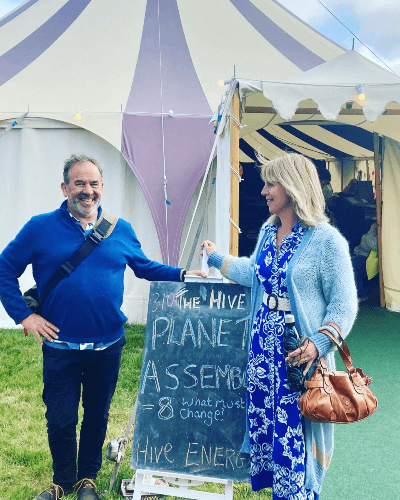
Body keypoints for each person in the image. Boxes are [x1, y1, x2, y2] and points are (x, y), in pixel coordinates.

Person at [0, 154, 205, 500]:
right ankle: (62, 482)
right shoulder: (40, 227)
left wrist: (183, 274)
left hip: (107, 345)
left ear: (102, 188)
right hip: (60, 346)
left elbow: (145, 267)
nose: (87, 190)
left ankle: (87, 481)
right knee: (61, 419)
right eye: (79, 183)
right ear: (65, 187)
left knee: (97, 415)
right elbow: (5, 268)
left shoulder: (119, 229)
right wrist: (24, 315)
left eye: (93, 183)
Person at [201, 154, 357, 499]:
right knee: (270, 426)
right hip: (262, 351)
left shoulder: (327, 240)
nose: (264, 190)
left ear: (293, 187)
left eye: (271, 183)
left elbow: (344, 305)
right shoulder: (269, 230)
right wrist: (215, 258)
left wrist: (319, 343)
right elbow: (254, 273)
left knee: (298, 428)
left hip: (299, 355)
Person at [351, 222, 378, 302]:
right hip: (359, 253)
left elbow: (374, 246)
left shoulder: (380, 232)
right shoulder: (372, 232)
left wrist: (372, 230)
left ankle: (361, 295)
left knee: (351, 267)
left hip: (368, 256)